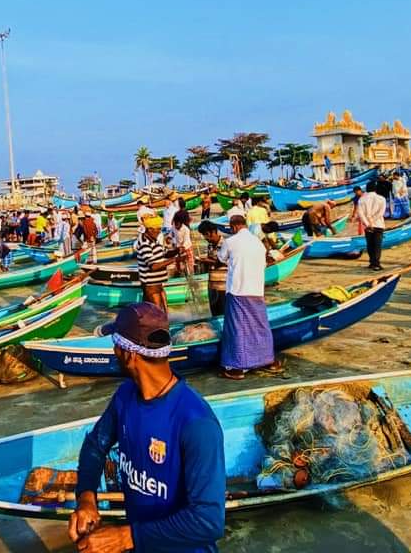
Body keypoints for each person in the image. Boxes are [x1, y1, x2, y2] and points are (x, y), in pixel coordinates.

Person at [69, 302, 225, 553]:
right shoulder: (125, 396)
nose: (113, 351)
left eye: (115, 345)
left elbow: (208, 521)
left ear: (129, 355)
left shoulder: (196, 423)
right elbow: (95, 445)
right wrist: (86, 497)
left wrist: (126, 537)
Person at [217, 215, 279, 380]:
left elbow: (221, 258)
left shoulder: (230, 241)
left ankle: (237, 367)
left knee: (237, 328)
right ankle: (267, 360)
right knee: (260, 326)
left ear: (234, 227)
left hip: (238, 290)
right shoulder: (258, 243)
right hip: (256, 290)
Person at [135, 216, 173, 312]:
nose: (159, 232)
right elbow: (153, 266)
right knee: (157, 313)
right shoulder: (144, 244)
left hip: (158, 284)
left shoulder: (154, 241)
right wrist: (174, 260)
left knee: (163, 311)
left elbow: (164, 253)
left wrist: (177, 251)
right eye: (158, 229)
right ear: (150, 229)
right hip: (150, 285)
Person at [197, 221, 227, 318]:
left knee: (225, 313)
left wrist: (206, 261)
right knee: (215, 313)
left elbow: (224, 262)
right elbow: (211, 263)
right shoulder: (210, 246)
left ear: (213, 232)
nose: (205, 238)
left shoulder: (225, 244)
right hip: (212, 285)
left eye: (206, 235)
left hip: (224, 285)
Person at [356, 181, 387, 271]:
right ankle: (376, 263)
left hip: (367, 226)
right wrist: (372, 221)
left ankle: (372, 262)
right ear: (376, 189)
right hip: (378, 224)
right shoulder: (381, 199)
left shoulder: (362, 199)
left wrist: (368, 224)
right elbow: (381, 213)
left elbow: (360, 213)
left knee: (370, 244)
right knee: (377, 245)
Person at [173, 209, 194, 276]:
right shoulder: (173, 227)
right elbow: (171, 235)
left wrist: (183, 247)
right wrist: (169, 238)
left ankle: (191, 274)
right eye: (175, 225)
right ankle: (179, 274)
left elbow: (187, 240)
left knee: (190, 263)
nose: (176, 227)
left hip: (187, 247)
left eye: (177, 225)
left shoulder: (186, 229)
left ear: (181, 223)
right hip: (178, 248)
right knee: (178, 263)